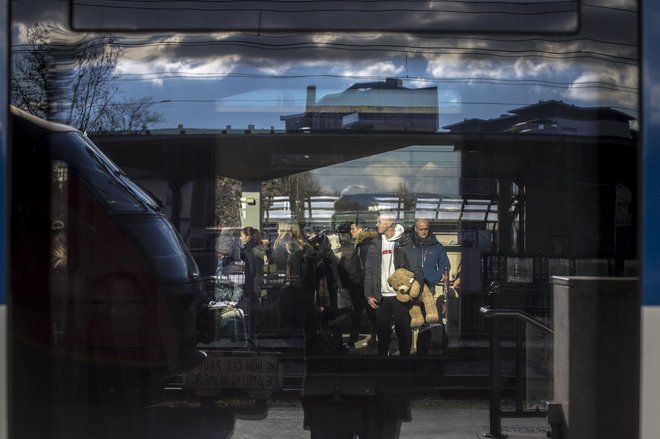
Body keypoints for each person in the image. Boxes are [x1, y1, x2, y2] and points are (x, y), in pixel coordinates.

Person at [363, 212, 423, 356]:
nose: (376, 225)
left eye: (379, 222)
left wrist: (412, 287)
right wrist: (369, 295)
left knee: (403, 334)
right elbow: (369, 271)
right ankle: (384, 368)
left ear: (389, 223)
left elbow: (416, 269)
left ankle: (404, 367)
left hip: (400, 296)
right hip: (380, 296)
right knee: (382, 335)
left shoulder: (405, 242)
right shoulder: (375, 244)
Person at [411, 218, 451, 356]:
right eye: (420, 229)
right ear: (415, 229)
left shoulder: (437, 246)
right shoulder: (409, 244)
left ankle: (422, 355)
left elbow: (445, 266)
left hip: (428, 289)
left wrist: (433, 279)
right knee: (407, 320)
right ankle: (405, 354)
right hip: (409, 290)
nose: (423, 231)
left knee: (425, 324)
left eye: (426, 229)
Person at [339, 221, 378, 348]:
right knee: (363, 313)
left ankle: (371, 339)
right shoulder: (362, 244)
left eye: (353, 229)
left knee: (366, 313)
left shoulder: (365, 245)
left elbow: (367, 267)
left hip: (363, 284)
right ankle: (363, 339)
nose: (351, 232)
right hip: (361, 283)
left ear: (361, 229)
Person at [239, 226, 268, 335]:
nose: (240, 238)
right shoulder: (259, 247)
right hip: (260, 281)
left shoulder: (247, 249)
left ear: (248, 236)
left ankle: (252, 330)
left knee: (251, 307)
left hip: (252, 282)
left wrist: (248, 280)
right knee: (258, 304)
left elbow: (250, 269)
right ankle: (259, 326)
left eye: (241, 236)